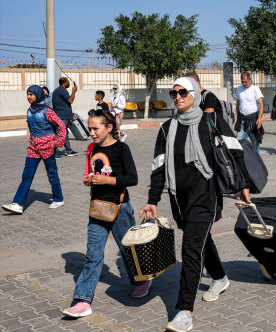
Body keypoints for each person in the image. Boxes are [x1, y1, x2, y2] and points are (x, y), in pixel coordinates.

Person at [140, 77, 230, 332]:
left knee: (190, 249)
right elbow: (159, 167)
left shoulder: (211, 122)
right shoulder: (167, 128)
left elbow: (234, 154)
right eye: (174, 93)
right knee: (201, 240)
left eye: (183, 92)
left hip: (206, 197)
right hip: (180, 199)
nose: (178, 96)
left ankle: (184, 311)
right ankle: (221, 277)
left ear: (196, 93)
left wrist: (244, 187)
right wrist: (152, 200)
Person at [62, 108, 150, 318]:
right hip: (98, 207)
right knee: (93, 256)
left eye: (95, 128)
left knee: (128, 250)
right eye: (90, 128)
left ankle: (142, 280)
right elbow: (87, 172)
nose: (91, 132)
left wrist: (108, 180)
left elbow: (133, 178)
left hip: (120, 208)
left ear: (109, 128)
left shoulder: (121, 149)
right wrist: (88, 180)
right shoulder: (92, 148)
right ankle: (82, 301)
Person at [2, 85, 66, 215]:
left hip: (47, 147)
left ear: (38, 95)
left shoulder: (47, 111)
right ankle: (18, 204)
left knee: (52, 173)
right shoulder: (29, 111)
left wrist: (58, 142)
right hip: (33, 148)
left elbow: (61, 125)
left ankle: (58, 199)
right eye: (27, 94)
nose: (28, 97)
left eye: (31, 94)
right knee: (27, 175)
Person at [185, 71, 226, 221]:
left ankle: (216, 210)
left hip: (214, 143)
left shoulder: (208, 96)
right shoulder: (195, 98)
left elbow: (208, 116)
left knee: (214, 176)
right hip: (201, 143)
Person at [235, 72, 264, 153]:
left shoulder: (255, 89)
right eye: (242, 81)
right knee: (238, 141)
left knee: (255, 143)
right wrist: (237, 116)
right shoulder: (239, 89)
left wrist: (259, 118)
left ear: (250, 80)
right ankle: (242, 161)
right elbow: (238, 103)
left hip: (253, 120)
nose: (244, 83)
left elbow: (261, 104)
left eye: (245, 81)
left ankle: (257, 162)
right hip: (242, 119)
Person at [52, 77, 78, 157]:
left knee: (64, 133)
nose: (69, 84)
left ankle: (69, 150)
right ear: (64, 83)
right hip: (62, 116)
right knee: (59, 134)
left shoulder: (57, 90)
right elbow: (70, 100)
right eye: (68, 82)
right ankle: (52, 152)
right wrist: (73, 91)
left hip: (61, 116)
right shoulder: (62, 90)